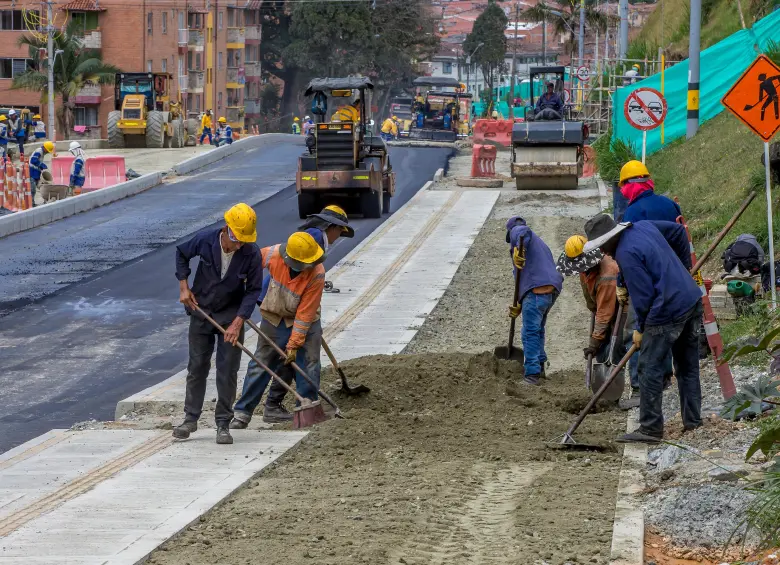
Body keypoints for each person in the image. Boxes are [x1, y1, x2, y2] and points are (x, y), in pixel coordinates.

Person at [583, 214, 703, 443]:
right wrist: (681, 269)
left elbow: (644, 298)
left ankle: (650, 429)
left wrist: (641, 329)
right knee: (687, 366)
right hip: (690, 297)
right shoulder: (643, 226)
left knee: (649, 368)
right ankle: (693, 422)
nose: (604, 253)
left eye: (603, 246)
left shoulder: (626, 255)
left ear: (610, 239)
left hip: (665, 310)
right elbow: (679, 232)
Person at [173, 203, 263, 445]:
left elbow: (253, 290)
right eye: (236, 240)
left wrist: (238, 322)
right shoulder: (205, 240)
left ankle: (223, 423)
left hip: (230, 315)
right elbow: (181, 253)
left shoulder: (251, 253)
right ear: (227, 230)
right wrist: (184, 286)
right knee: (197, 367)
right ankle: (190, 419)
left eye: (243, 241)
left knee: (227, 370)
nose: (239, 245)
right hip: (201, 310)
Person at [230, 231, 326, 428]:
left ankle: (306, 412)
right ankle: (242, 412)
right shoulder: (273, 254)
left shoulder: (317, 273)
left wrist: (294, 344)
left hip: (306, 323)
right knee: (260, 363)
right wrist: (237, 287)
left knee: (309, 364)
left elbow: (305, 314)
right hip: (274, 318)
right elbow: (246, 264)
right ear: (290, 259)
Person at [618, 160, 680, 397]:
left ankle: (638, 386)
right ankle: (664, 377)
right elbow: (682, 237)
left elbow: (628, 252)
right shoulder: (670, 205)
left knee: (637, 331)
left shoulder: (632, 212)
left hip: (644, 281)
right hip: (672, 280)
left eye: (623, 187)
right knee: (664, 329)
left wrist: (622, 284)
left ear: (628, 186)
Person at [506, 216, 563, 385]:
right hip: (551, 289)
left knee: (530, 332)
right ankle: (540, 366)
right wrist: (518, 303)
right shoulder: (539, 245)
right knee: (538, 330)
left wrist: (518, 246)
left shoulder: (520, 232)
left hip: (537, 290)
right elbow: (522, 277)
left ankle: (532, 375)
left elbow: (523, 231)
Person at [556, 235, 619, 360]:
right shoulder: (585, 269)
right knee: (602, 347)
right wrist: (592, 307)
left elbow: (604, 314)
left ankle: (614, 373)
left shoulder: (607, 276)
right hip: (604, 306)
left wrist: (594, 343)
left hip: (623, 308)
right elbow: (590, 297)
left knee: (616, 347)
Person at [28, 141, 54, 207]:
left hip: (36, 172)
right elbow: (33, 160)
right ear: (45, 148)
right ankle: (31, 204)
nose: (48, 152)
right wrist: (41, 165)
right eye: (48, 150)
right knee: (32, 189)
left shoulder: (42, 152)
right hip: (32, 172)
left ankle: (33, 202)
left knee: (38, 187)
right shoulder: (39, 151)